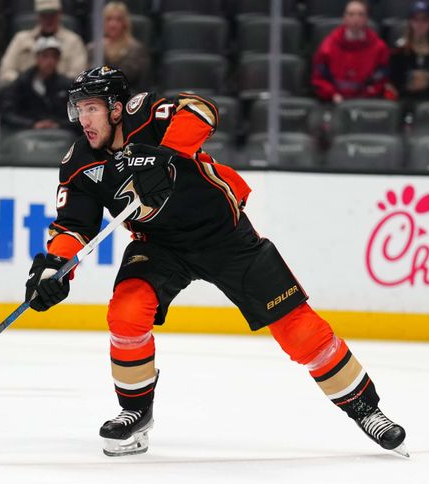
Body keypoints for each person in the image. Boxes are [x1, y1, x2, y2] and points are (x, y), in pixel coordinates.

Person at [24, 66, 408, 458]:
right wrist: (56, 266)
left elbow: (202, 110)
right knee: (126, 311)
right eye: (79, 110)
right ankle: (134, 411)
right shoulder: (80, 164)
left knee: (297, 326)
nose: (83, 120)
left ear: (117, 108)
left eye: (91, 108)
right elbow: (73, 226)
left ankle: (366, 409)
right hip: (159, 245)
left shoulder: (146, 114)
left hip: (223, 235)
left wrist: (165, 157)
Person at [312, 0, 393, 103]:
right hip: (333, 102)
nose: (355, 19)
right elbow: (319, 77)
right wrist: (332, 94)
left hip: (367, 102)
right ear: (344, 18)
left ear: (366, 18)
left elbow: (382, 78)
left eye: (360, 15)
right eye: (351, 14)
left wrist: (367, 95)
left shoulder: (379, 48)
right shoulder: (328, 46)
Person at [0, 0, 87, 87]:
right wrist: (24, 83)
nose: (48, 19)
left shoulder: (73, 41)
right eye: (44, 15)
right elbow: (5, 71)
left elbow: (78, 75)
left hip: (61, 94)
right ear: (38, 16)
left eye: (52, 15)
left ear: (59, 15)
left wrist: (56, 83)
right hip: (24, 94)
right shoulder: (21, 39)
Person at [0, 36, 76, 134]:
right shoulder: (22, 82)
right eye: (45, 56)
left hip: (60, 134)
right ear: (37, 58)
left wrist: (59, 124)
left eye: (54, 57)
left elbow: (77, 116)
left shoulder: (67, 85)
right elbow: (7, 114)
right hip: (26, 136)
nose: (50, 61)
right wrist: (32, 124)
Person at [389, 1, 429, 114]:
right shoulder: (399, 51)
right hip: (404, 104)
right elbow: (392, 83)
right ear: (410, 22)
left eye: (425, 20)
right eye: (416, 19)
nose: (420, 24)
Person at [87, 1, 147, 88]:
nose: (113, 24)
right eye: (109, 19)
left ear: (124, 23)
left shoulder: (135, 49)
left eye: (118, 19)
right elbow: (90, 75)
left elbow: (125, 76)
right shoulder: (93, 48)